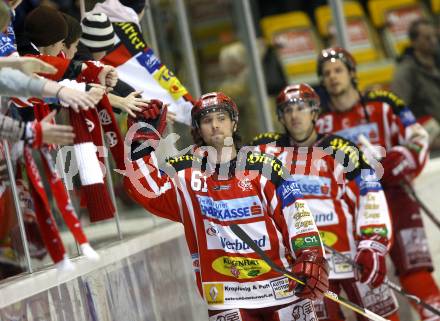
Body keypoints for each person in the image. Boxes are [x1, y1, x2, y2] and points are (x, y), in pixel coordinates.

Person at [121, 92, 329, 320]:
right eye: (207, 120)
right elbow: (146, 189)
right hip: (227, 299)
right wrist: (141, 142)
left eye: (221, 118)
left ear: (234, 122)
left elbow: (296, 215)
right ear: (198, 128)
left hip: (284, 291)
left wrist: (310, 256)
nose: (215, 125)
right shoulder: (184, 173)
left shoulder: (265, 166)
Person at [251, 83, 399, 321]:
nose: (295, 115)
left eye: (301, 108)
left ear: (314, 113)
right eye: (287, 110)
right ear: (280, 116)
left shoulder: (340, 149)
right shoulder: (266, 151)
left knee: (384, 317)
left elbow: (370, 194)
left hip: (350, 256)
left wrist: (373, 244)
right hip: (305, 263)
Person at [315, 47, 438, 321]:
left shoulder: (383, 103)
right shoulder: (320, 122)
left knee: (416, 270)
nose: (333, 77)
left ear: (352, 73)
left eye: (338, 70)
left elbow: (418, 136)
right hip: (357, 212)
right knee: (370, 278)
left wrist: (399, 158)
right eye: (327, 74)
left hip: (397, 198)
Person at [391, 18, 440, 148]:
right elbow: (397, 109)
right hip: (429, 142)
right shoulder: (406, 72)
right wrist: (421, 135)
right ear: (414, 42)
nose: (433, 41)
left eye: (434, 36)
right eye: (427, 38)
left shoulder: (437, 63)